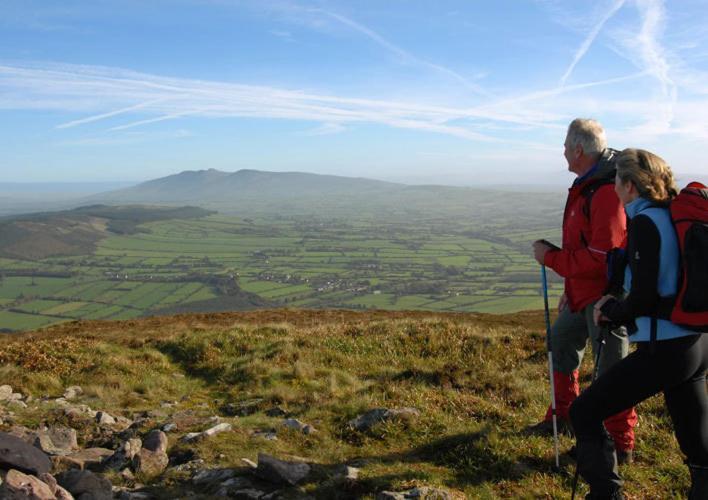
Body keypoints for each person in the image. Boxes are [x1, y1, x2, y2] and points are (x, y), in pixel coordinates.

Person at [570, 149, 707, 499]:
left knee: (584, 411)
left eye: (616, 179)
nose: (612, 186)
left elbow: (644, 298)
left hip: (666, 348)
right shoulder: (670, 216)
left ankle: (606, 494)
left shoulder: (645, 222)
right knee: (696, 438)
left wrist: (610, 311)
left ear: (629, 185)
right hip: (696, 345)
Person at [529, 119, 637, 463]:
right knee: (559, 341)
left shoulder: (605, 191)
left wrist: (551, 259)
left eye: (565, 144)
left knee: (611, 369)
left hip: (607, 298)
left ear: (579, 149)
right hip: (582, 295)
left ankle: (619, 444)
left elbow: (601, 259)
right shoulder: (586, 186)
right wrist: (570, 286)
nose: (562, 150)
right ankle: (564, 418)